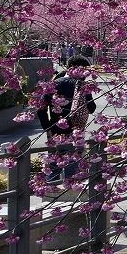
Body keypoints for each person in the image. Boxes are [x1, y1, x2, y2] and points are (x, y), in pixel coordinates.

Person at [37, 55, 97, 183]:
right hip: (76, 131)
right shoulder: (83, 85)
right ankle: (70, 193)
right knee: (72, 168)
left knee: (53, 167)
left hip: (55, 130)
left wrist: (47, 127)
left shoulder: (54, 84)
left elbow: (40, 108)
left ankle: (48, 193)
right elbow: (91, 108)